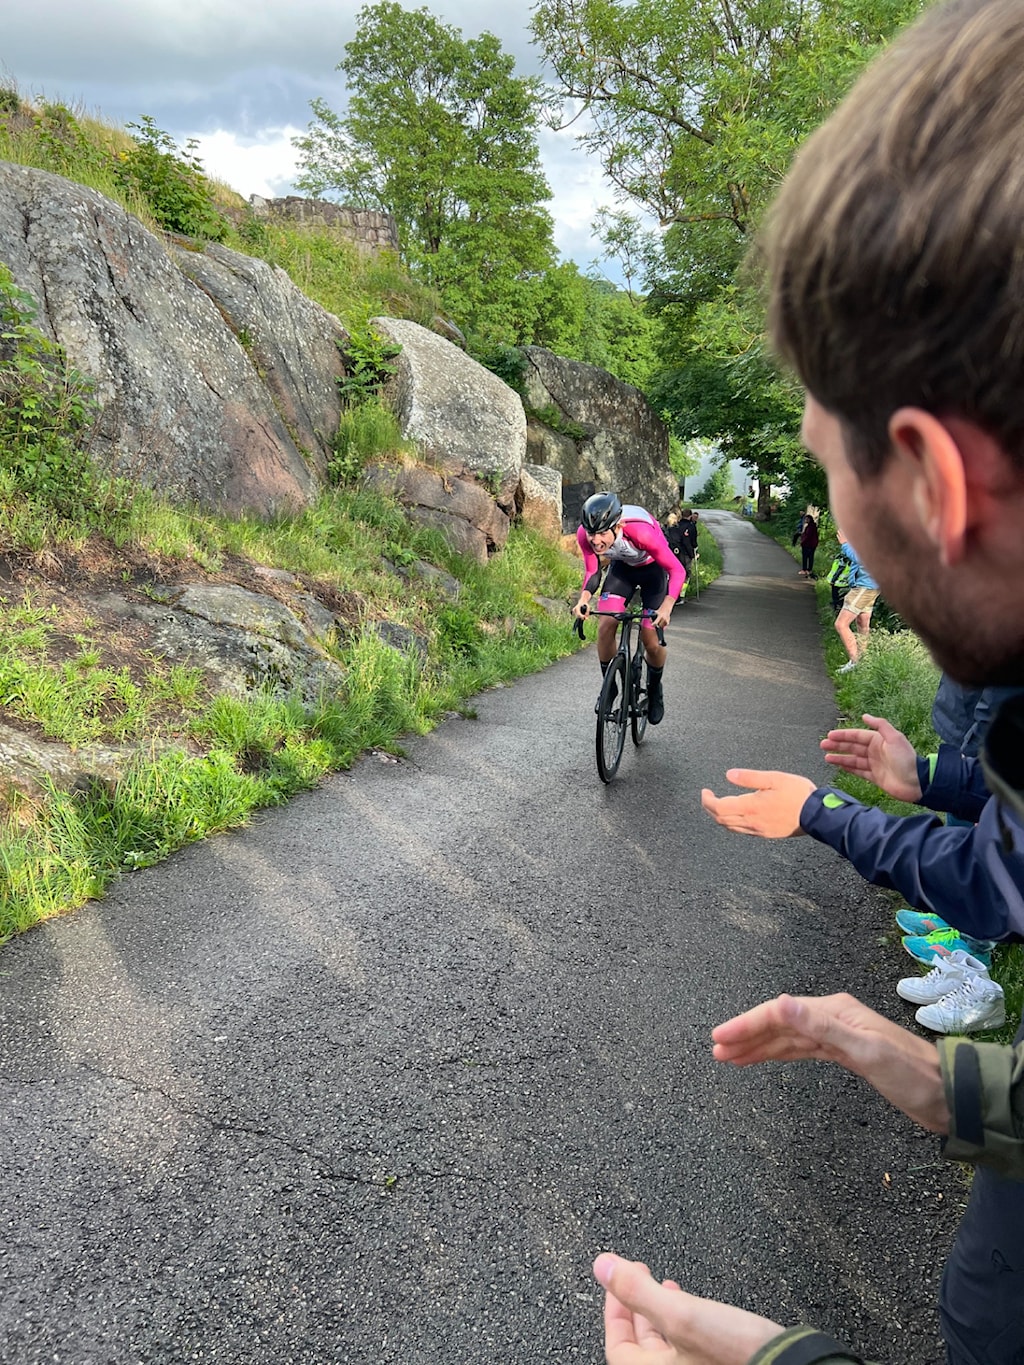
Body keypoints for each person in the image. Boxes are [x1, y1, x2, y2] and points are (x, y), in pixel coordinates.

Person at [594, 2, 1024, 1361]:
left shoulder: (659, 536)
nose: (837, 518)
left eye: (830, 465)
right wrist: (917, 1065)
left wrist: (780, 1358)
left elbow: (1002, 880)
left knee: (648, 636)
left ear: (936, 485)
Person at [572, 491, 684, 725]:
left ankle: (654, 689)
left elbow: (677, 570)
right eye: (592, 533)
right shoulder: (584, 534)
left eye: (603, 533)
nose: (596, 540)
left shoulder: (641, 533)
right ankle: (610, 687)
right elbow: (593, 571)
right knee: (606, 625)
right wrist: (583, 599)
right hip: (622, 570)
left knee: (650, 639)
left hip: (653, 571)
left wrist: (667, 606)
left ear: (618, 526)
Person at [833, 536, 879, 674]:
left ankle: (855, 662)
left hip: (864, 587)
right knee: (862, 622)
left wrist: (845, 544)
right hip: (871, 585)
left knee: (841, 624)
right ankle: (862, 661)